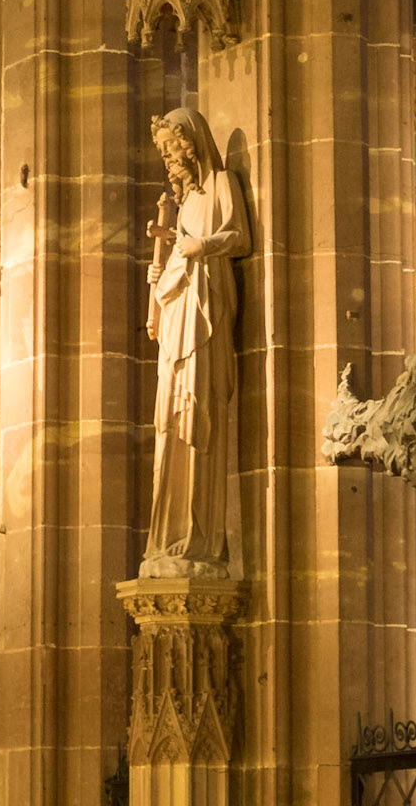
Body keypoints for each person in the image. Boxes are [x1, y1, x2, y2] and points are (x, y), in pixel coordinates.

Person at [143, 107, 251, 574]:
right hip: (177, 315)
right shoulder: (183, 203)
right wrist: (161, 268)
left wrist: (200, 247)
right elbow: (178, 255)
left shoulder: (222, 184)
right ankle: (168, 535)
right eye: (165, 154)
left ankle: (200, 535)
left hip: (206, 311)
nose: (170, 160)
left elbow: (239, 237)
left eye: (174, 149)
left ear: (192, 144)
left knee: (199, 413)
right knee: (169, 421)